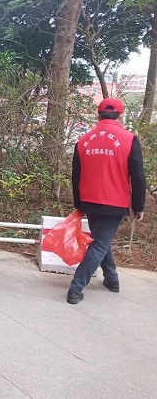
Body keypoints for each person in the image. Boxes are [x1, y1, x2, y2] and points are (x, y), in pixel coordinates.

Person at [67, 97, 146, 304]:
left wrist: (79, 203)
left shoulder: (83, 140)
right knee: (100, 243)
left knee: (101, 240)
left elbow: (76, 175)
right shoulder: (129, 139)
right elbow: (138, 175)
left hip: (89, 200)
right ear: (120, 115)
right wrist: (138, 206)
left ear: (98, 115)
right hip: (114, 202)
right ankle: (75, 288)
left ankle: (112, 279)